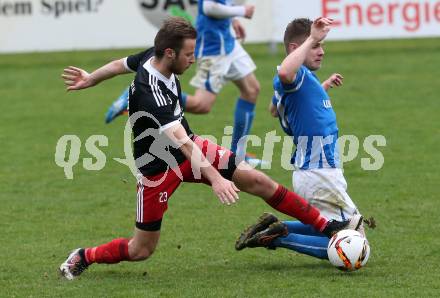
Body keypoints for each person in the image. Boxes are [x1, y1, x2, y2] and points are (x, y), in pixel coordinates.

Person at [59, 17, 362, 280]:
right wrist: (217, 178)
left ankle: (327, 226)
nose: (193, 60)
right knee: (141, 249)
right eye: (189, 54)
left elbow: (119, 65)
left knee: (258, 181)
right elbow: (184, 144)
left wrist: (91, 78)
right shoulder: (154, 94)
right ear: (169, 53)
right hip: (158, 169)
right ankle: (85, 256)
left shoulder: (154, 56)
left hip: (189, 149)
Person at [235, 17, 372, 258]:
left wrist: (322, 88)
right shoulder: (293, 75)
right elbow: (286, 73)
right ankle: (280, 237)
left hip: (313, 170)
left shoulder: (302, 79)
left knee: (326, 227)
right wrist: (311, 38)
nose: (321, 51)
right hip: (320, 172)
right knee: (355, 242)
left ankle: (278, 228)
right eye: (316, 46)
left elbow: (275, 109)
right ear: (295, 49)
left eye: (321, 45)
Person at [105, 0, 263, 164]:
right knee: (201, 105)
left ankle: (238, 156)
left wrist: (233, 19)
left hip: (228, 42)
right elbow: (208, 7)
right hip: (213, 47)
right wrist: (240, 11)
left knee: (251, 90)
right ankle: (139, 93)